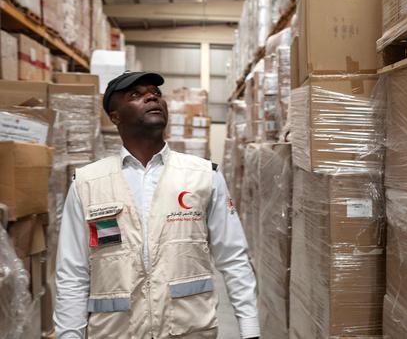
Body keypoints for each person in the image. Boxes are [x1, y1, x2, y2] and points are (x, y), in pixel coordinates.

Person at [54, 72, 259, 339]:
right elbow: (72, 273)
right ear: (115, 116)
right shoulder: (88, 183)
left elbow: (233, 258)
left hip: (188, 331)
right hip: (115, 333)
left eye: (156, 93)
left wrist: (250, 329)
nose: (152, 97)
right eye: (136, 95)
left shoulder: (203, 175)